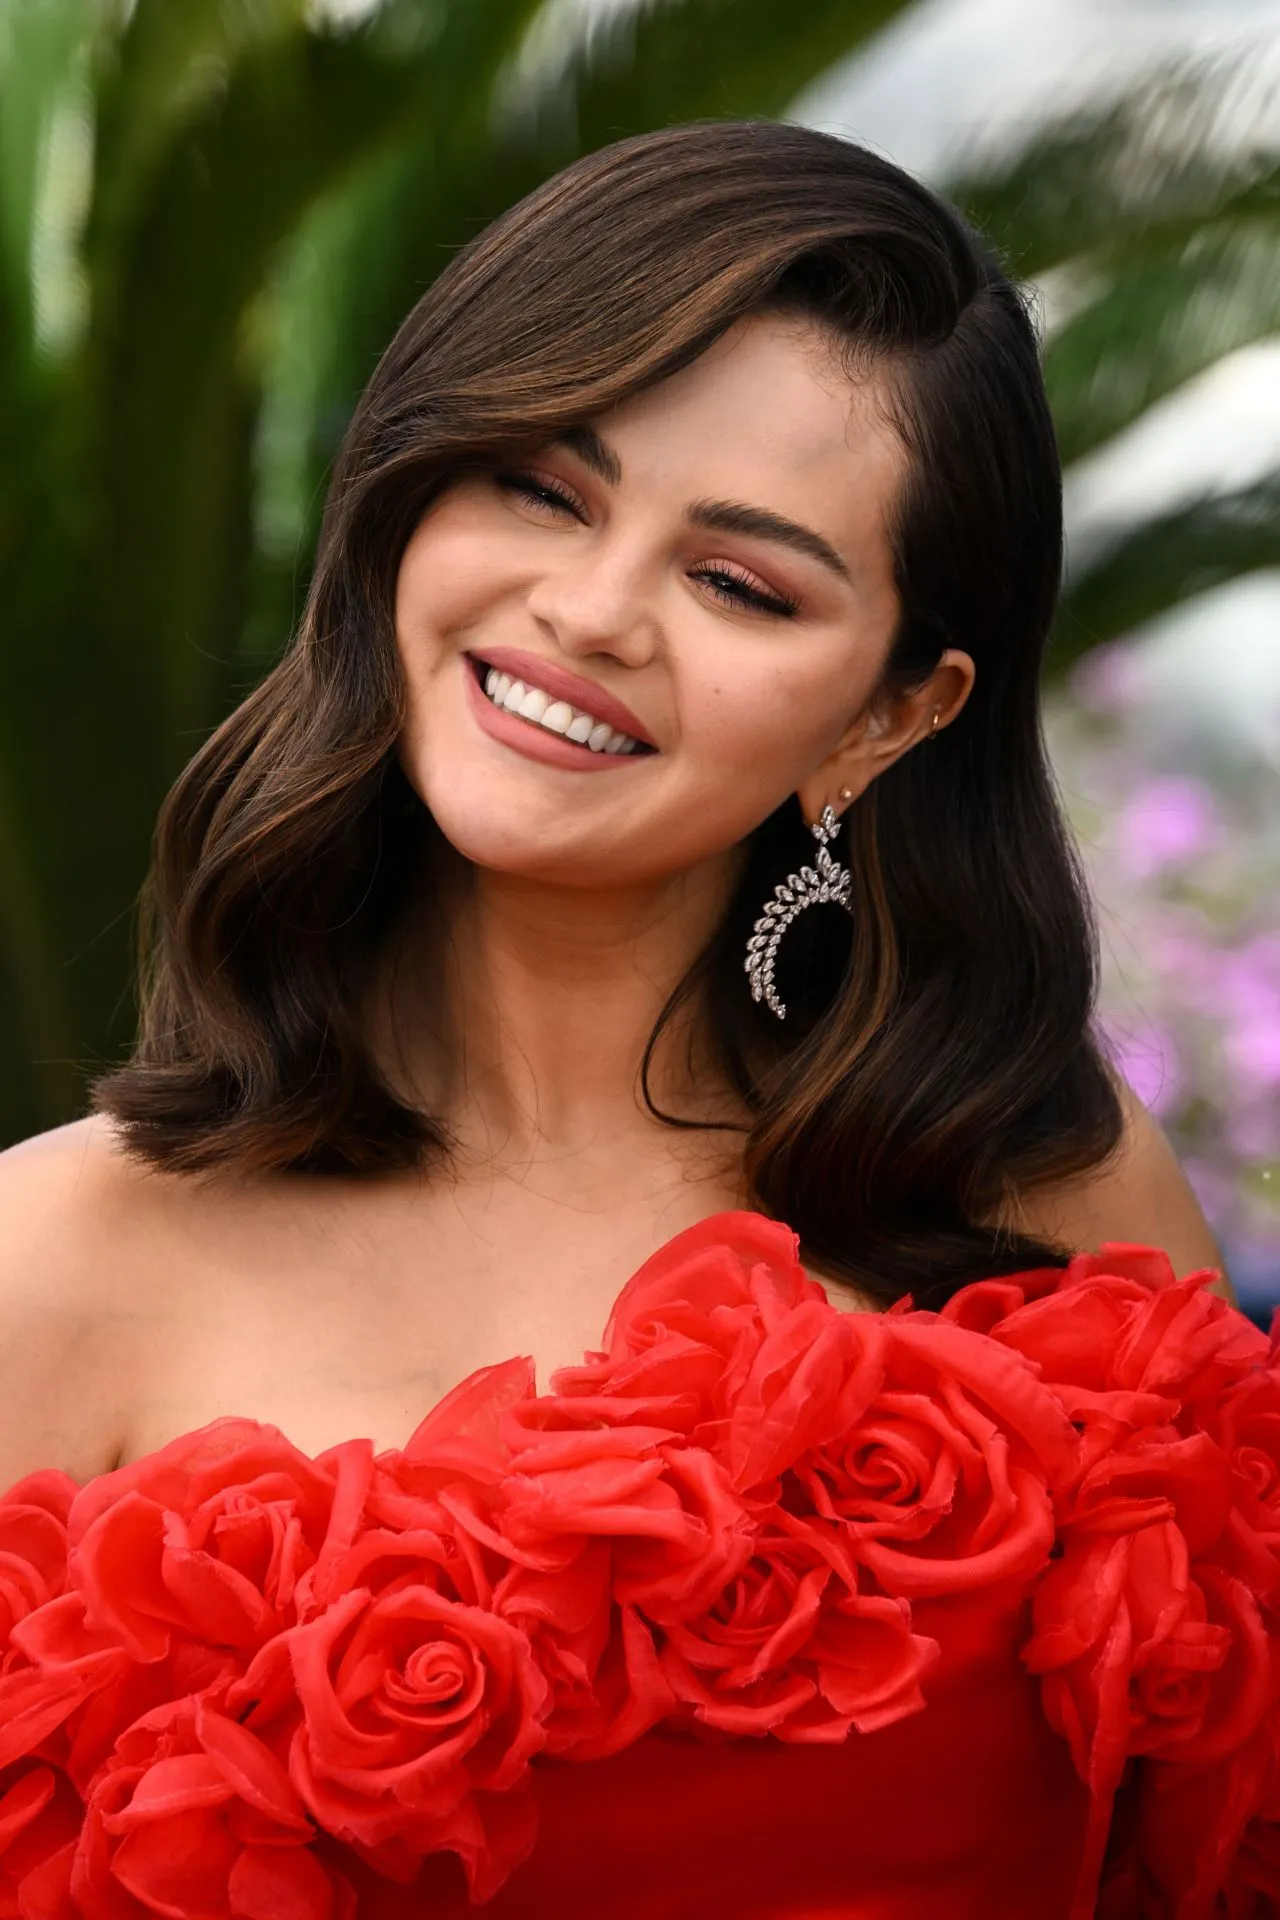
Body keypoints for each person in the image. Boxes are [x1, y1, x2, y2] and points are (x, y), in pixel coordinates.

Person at [0, 120, 1272, 1919]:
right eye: (540, 487)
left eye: (740, 583)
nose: (591, 612)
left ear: (890, 720)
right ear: (402, 500)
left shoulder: (1040, 1184)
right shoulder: (48, 1261)